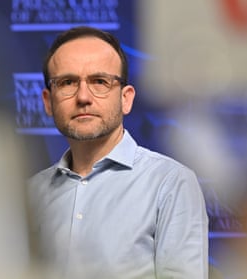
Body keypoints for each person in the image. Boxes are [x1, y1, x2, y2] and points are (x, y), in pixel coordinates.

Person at [27, 26, 209, 279]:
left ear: (126, 98)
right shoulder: (30, 194)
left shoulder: (169, 183)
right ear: (48, 101)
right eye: (67, 82)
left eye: (99, 82)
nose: (83, 97)